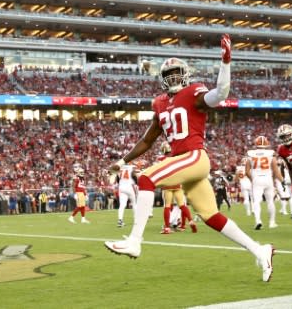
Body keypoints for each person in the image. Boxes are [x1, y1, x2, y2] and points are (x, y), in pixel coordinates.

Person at [104, 34, 275, 282]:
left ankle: (134, 241)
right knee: (210, 215)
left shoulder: (193, 92)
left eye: (177, 73)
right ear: (162, 80)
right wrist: (121, 162)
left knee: (147, 177)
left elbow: (220, 94)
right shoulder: (160, 103)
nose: (173, 78)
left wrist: (226, 62)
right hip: (185, 162)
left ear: (185, 74)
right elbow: (147, 140)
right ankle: (260, 250)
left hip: (194, 156)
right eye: (168, 74)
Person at [158, 141, 197, 234]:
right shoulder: (177, 158)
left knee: (167, 206)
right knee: (182, 205)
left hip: (167, 185)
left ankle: (167, 227)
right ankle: (191, 221)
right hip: (178, 184)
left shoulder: (161, 159)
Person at [245, 135, 283, 230]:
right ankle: (272, 222)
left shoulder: (251, 153)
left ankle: (258, 221)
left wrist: (252, 179)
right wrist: (279, 180)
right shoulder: (270, 153)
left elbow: (247, 171)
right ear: (266, 143)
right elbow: (275, 170)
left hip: (257, 178)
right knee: (270, 201)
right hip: (267, 178)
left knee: (257, 201)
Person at [116, 161, 139, 228]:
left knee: (122, 205)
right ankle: (136, 221)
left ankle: (120, 220)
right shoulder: (132, 167)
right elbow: (134, 176)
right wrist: (137, 183)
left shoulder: (120, 168)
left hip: (121, 187)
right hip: (130, 186)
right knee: (134, 203)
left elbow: (117, 179)